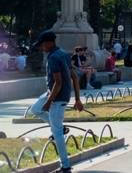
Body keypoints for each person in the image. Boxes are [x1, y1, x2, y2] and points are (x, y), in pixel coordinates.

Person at [36, 32, 83, 173]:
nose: (41, 48)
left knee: (57, 134)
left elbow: (59, 82)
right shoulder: (62, 53)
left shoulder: (53, 58)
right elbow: (74, 78)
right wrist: (77, 100)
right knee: (35, 109)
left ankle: (65, 166)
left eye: (43, 45)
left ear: (50, 43)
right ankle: (60, 128)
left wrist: (49, 101)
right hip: (54, 94)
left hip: (57, 97)